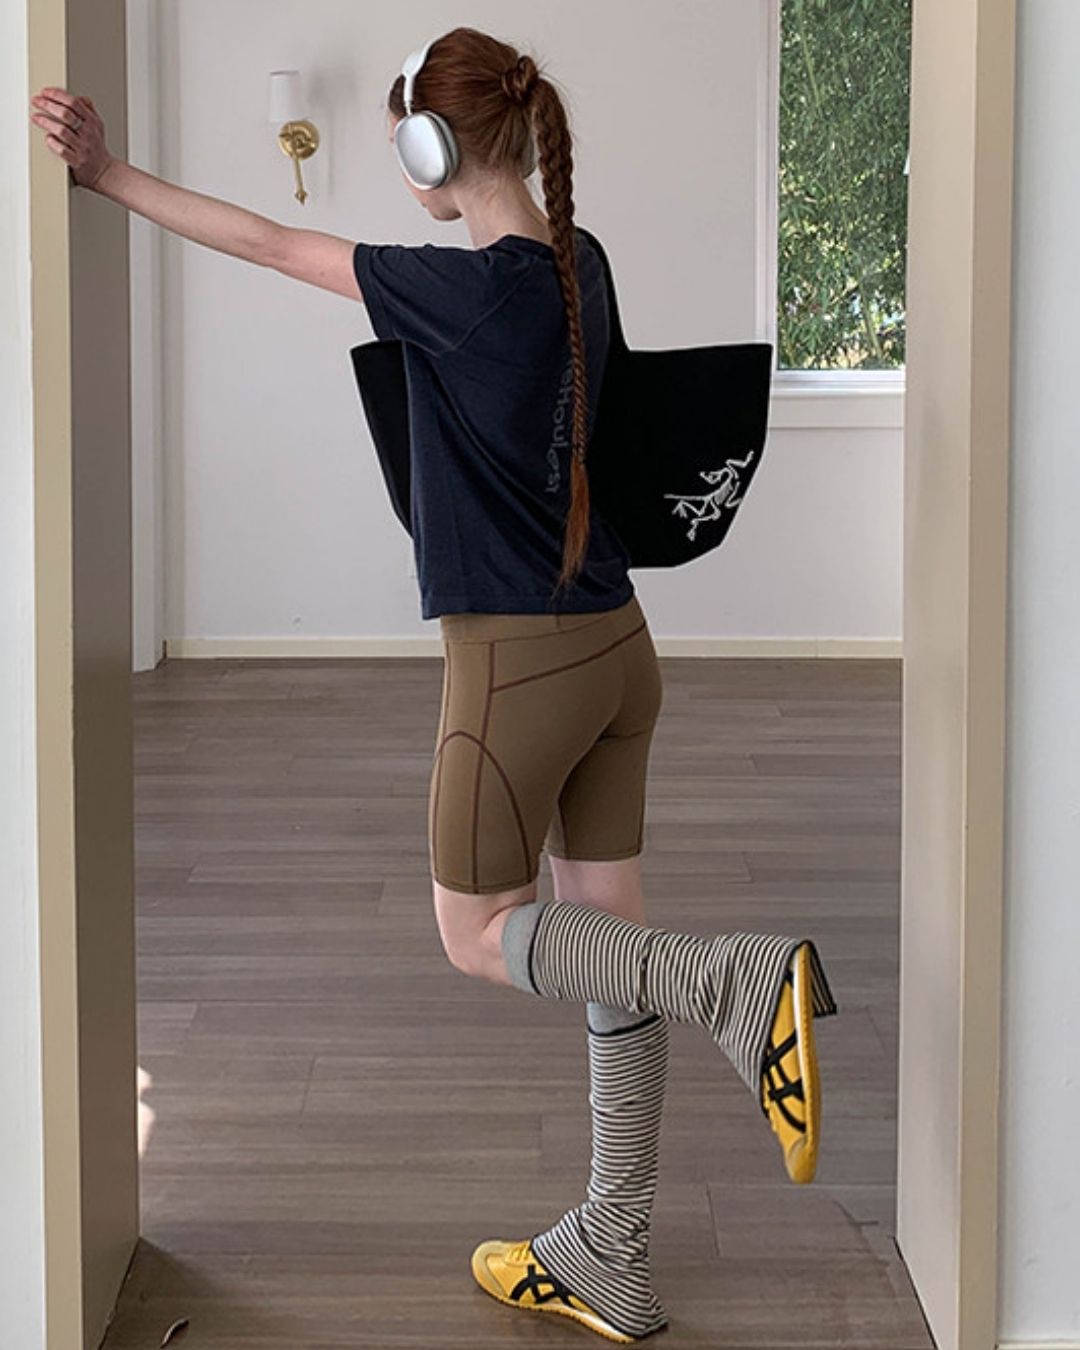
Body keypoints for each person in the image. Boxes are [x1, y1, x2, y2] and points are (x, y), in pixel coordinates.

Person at [29, 26, 838, 1344]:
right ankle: (614, 1252)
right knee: (609, 956)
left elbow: (263, 242)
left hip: (518, 667)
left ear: (431, 147)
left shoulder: (453, 289)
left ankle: (738, 982)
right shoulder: (580, 262)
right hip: (618, 649)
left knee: (478, 933)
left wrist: (108, 174)